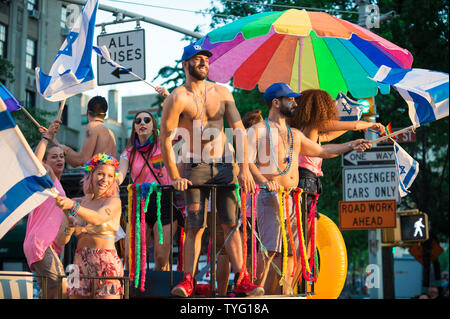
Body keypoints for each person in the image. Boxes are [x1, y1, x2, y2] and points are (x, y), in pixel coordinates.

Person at [248, 82, 372, 295]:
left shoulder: (294, 135)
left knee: (296, 250)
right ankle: (258, 290)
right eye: (291, 99)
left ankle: (282, 293)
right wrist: (263, 181)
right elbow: (245, 161)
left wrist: (351, 145)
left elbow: (321, 151)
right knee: (272, 250)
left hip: (293, 197)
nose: (295, 103)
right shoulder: (258, 130)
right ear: (276, 103)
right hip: (271, 196)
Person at [160, 42, 262, 297]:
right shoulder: (177, 97)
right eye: (197, 58)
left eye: (206, 58)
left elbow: (238, 129)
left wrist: (245, 167)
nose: (204, 61)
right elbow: (165, 138)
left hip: (225, 164)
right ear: (185, 64)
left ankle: (241, 279)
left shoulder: (223, 92)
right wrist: (174, 176)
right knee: (195, 226)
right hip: (195, 165)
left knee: (231, 223)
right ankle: (188, 280)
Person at [288, 89, 384, 257]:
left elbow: (329, 143)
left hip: (307, 183)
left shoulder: (306, 130)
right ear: (320, 108)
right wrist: (369, 125)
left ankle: (296, 278)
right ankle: (294, 278)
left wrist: (353, 141)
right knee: (304, 241)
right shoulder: (311, 127)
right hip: (305, 182)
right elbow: (348, 128)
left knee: (305, 239)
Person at [117, 111, 183, 271]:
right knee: (134, 254)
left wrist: (170, 99)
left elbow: (181, 125)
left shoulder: (164, 143)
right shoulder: (128, 152)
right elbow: (121, 174)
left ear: (153, 126)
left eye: (147, 120)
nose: (142, 123)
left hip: (164, 200)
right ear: (133, 128)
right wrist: (112, 182)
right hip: (140, 202)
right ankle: (138, 291)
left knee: (161, 257)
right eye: (138, 121)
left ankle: (164, 287)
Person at [55, 153, 124, 299]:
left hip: (106, 263)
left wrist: (72, 206)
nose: (105, 179)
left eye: (110, 176)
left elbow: (99, 218)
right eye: (100, 174)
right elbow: (62, 240)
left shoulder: (113, 202)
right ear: (91, 175)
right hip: (79, 263)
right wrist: (69, 223)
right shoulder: (77, 202)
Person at [23, 120, 68, 299]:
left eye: (61, 156)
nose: (60, 159)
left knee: (54, 294)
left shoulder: (58, 185)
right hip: (39, 243)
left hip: (50, 245)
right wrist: (46, 138)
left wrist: (53, 139)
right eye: (54, 156)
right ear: (46, 162)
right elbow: (35, 162)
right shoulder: (47, 178)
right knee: (60, 285)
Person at [58, 96, 117, 167]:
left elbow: (82, 160)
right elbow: (75, 163)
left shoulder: (92, 126)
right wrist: (54, 142)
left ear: (87, 112)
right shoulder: (111, 133)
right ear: (105, 115)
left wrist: (64, 149)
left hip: (96, 176)